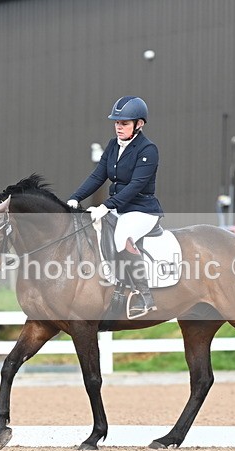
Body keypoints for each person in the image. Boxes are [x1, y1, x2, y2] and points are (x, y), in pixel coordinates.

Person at [67, 95, 163, 317]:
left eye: (124, 123)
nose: (119, 128)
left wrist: (106, 205)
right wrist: (75, 197)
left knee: (122, 236)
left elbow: (136, 185)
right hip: (119, 208)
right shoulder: (112, 146)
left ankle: (144, 295)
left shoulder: (148, 149)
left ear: (139, 124)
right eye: (117, 123)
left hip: (142, 210)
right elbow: (98, 176)